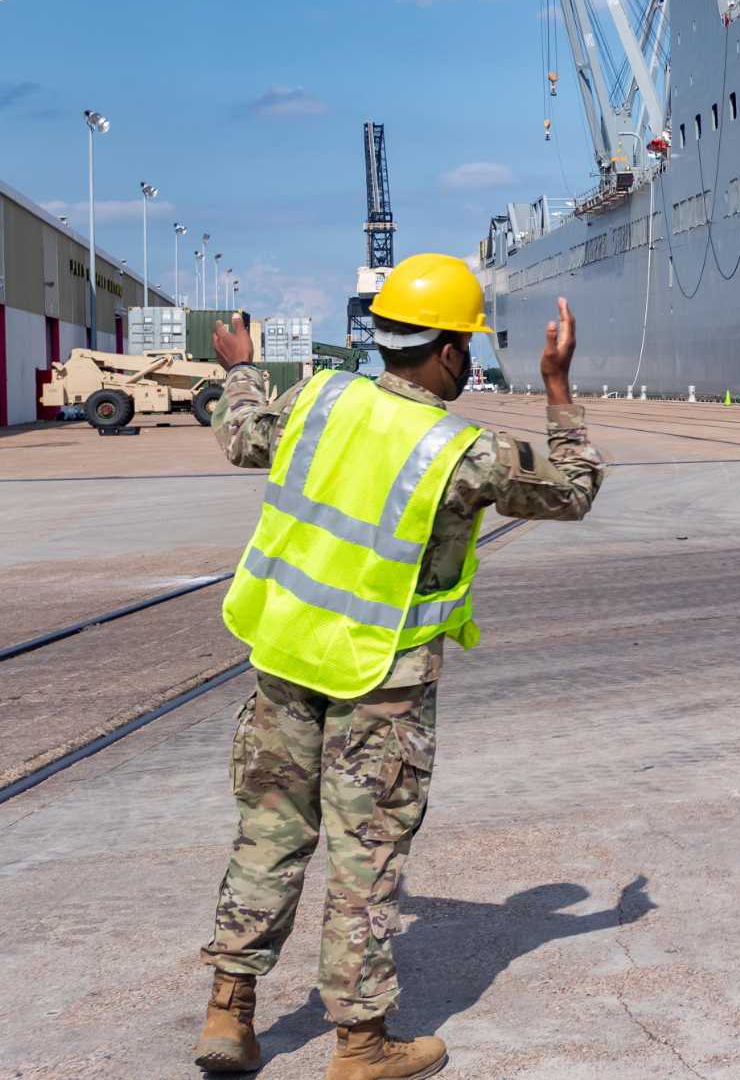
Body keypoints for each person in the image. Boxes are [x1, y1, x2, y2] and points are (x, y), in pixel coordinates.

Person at [192, 254, 604, 1079]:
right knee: (366, 854)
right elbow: (574, 487)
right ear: (450, 352)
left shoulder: (320, 398)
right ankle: (360, 1045)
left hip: (284, 653)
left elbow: (243, 436)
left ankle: (229, 1014)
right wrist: (558, 386)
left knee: (270, 834)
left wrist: (240, 370)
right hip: (379, 679)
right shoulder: (464, 451)